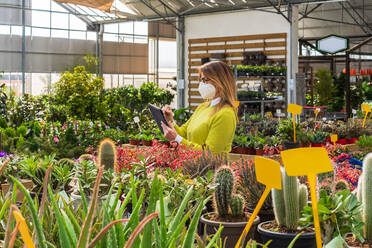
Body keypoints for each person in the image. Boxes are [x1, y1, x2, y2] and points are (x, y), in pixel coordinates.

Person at [161, 60, 237, 154]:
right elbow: (183, 134)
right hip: (192, 166)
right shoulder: (203, 107)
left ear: (220, 82)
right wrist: (170, 121)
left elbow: (211, 153)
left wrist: (176, 139)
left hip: (211, 168)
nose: (202, 84)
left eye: (205, 80)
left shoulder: (225, 114)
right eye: (201, 80)